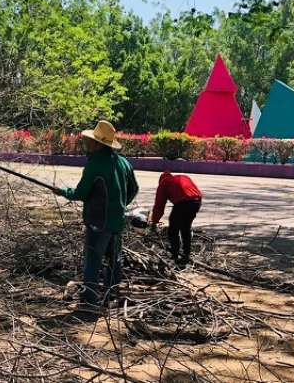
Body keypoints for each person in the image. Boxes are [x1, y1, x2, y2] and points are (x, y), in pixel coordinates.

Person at [55, 121, 139, 307]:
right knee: (114, 260)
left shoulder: (95, 164)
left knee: (93, 261)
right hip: (117, 221)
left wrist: (64, 192)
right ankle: (111, 298)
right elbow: (134, 188)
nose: (87, 144)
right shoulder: (123, 162)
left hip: (98, 223)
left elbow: (81, 193)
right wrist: (120, 205)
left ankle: (89, 302)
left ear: (98, 144)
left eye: (90, 141)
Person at [150, 172, 203, 266]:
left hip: (183, 203)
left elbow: (159, 205)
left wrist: (154, 223)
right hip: (197, 201)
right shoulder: (184, 176)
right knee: (185, 228)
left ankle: (174, 255)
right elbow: (195, 191)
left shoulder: (164, 183)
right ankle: (186, 254)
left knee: (173, 230)